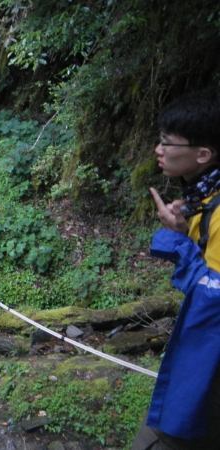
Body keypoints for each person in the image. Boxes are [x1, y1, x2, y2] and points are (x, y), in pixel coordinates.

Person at [131, 90, 220, 449]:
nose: (158, 149)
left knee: (166, 437)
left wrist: (177, 241)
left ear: (202, 154)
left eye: (168, 143)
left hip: (209, 365)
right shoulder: (204, 198)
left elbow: (211, 298)